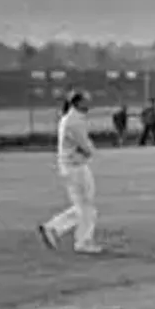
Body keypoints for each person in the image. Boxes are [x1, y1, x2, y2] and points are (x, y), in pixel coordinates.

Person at [38, 90, 102, 254]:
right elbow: (86, 147)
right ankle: (82, 241)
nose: (90, 104)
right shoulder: (74, 121)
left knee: (83, 206)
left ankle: (54, 228)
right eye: (87, 101)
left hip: (71, 167)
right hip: (76, 167)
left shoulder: (70, 118)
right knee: (86, 206)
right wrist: (90, 150)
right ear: (78, 103)